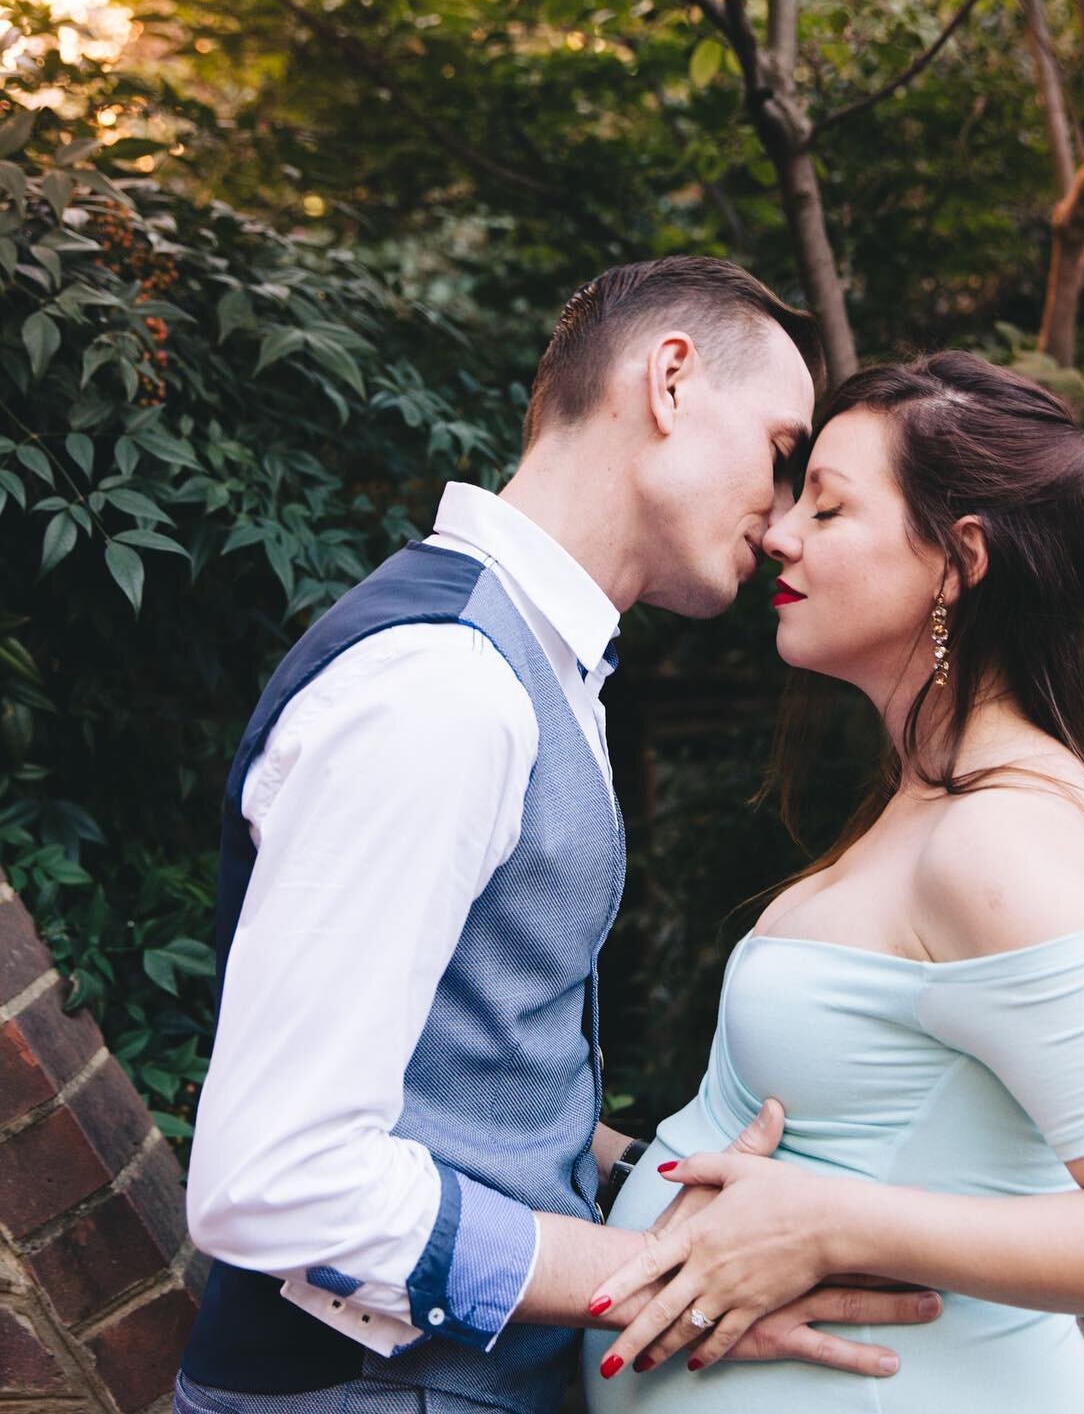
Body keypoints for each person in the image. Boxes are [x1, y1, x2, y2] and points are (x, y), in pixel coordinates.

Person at [173, 258, 945, 1414]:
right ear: (670, 382)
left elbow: (465, 1071)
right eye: (784, 453)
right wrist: (671, 1278)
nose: (786, 517)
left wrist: (671, 1181)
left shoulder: (529, 667)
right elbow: (275, 1183)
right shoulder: (442, 689)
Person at [579, 350, 1084, 1412]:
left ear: (958, 562)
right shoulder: (933, 801)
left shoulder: (1001, 840)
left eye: (830, 506)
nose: (778, 532)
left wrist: (829, 1224)